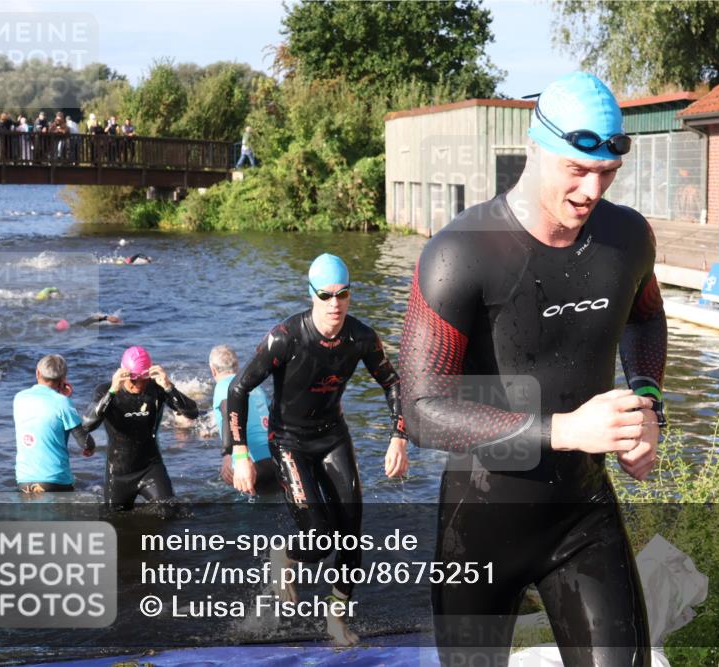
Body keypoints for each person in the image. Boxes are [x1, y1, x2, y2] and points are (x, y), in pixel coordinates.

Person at [398, 72, 667, 667]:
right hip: (480, 525)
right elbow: (419, 409)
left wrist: (646, 407)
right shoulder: (459, 253)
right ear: (535, 147)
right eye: (576, 168)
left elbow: (645, 320)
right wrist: (567, 431)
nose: (591, 189)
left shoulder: (627, 239)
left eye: (607, 174)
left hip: (582, 514)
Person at [225, 253, 409, 646]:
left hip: (332, 437)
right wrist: (239, 453)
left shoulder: (361, 337)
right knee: (320, 536)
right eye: (326, 295)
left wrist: (399, 437)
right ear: (311, 295)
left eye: (342, 294)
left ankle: (336, 618)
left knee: (352, 538)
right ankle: (283, 558)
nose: (335, 304)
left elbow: (393, 382)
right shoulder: (286, 337)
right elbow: (238, 388)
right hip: (289, 440)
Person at [83, 346, 198, 510]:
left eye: (143, 379)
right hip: (118, 473)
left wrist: (168, 387)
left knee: (170, 511)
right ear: (123, 373)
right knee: (116, 522)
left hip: (150, 468)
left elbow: (192, 413)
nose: (138, 384)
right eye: (133, 379)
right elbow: (88, 424)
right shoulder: (106, 391)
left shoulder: (157, 388)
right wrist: (112, 391)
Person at [13, 354, 96, 493]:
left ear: (37, 373)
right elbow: (86, 443)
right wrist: (90, 449)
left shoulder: (19, 398)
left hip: (24, 480)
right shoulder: (63, 402)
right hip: (55, 480)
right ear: (63, 378)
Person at [208, 345, 280, 494]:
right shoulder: (254, 387)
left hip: (250, 464)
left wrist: (227, 454)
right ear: (237, 366)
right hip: (274, 458)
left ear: (212, 370)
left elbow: (230, 413)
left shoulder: (222, 387)